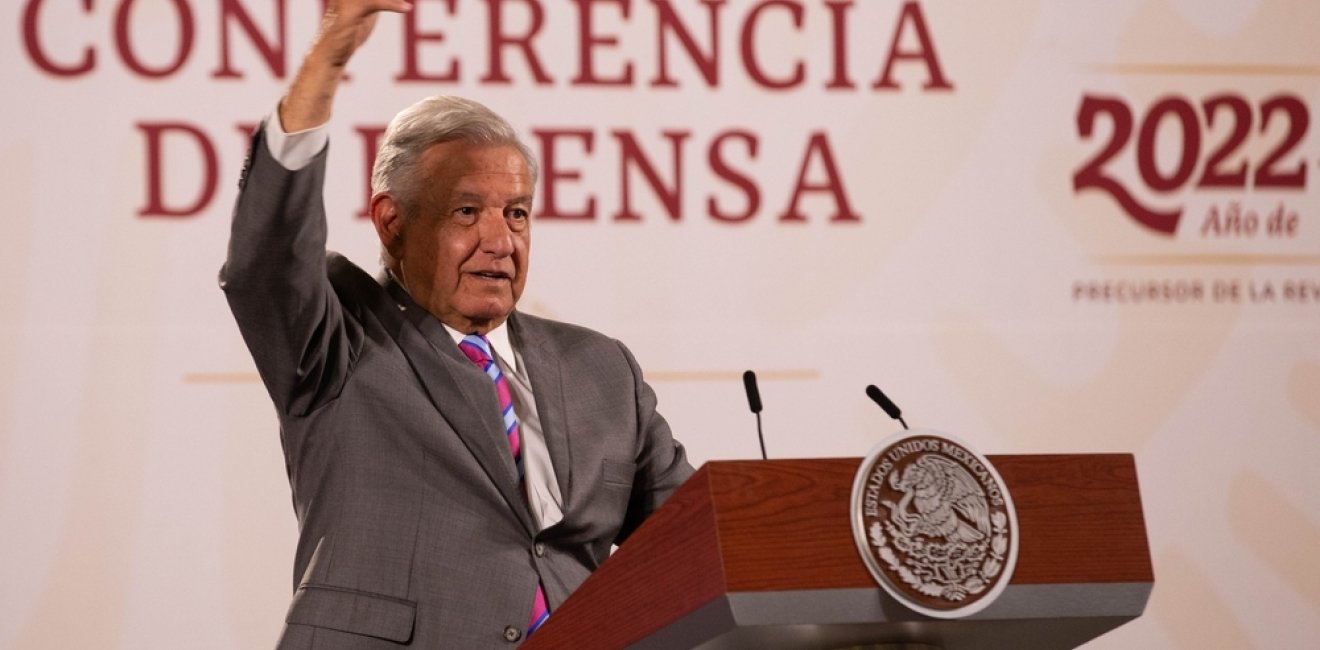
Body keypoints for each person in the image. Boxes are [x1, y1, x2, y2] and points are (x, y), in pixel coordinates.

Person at [219, 1, 693, 646]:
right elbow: (265, 258)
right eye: (467, 212)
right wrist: (326, 61)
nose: (499, 241)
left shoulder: (601, 370)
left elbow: (698, 538)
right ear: (392, 221)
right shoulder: (339, 338)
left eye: (518, 214)